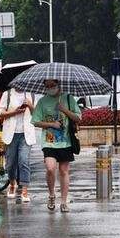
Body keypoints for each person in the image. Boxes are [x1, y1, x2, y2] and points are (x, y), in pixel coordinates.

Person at [31, 79, 82, 213]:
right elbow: (35, 121)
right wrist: (51, 124)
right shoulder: (42, 101)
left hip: (66, 142)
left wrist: (64, 110)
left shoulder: (68, 99)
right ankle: (51, 195)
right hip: (48, 142)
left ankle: (63, 201)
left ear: (58, 85)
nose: (50, 88)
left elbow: (78, 118)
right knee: (50, 168)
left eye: (52, 86)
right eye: (47, 86)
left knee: (64, 171)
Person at [0, 87, 37, 202]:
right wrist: (14, 112)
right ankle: (12, 184)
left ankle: (24, 189)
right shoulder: (7, 94)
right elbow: (0, 113)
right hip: (11, 134)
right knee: (10, 164)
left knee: (24, 161)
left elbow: (36, 114)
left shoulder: (31, 94)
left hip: (26, 134)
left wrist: (30, 105)